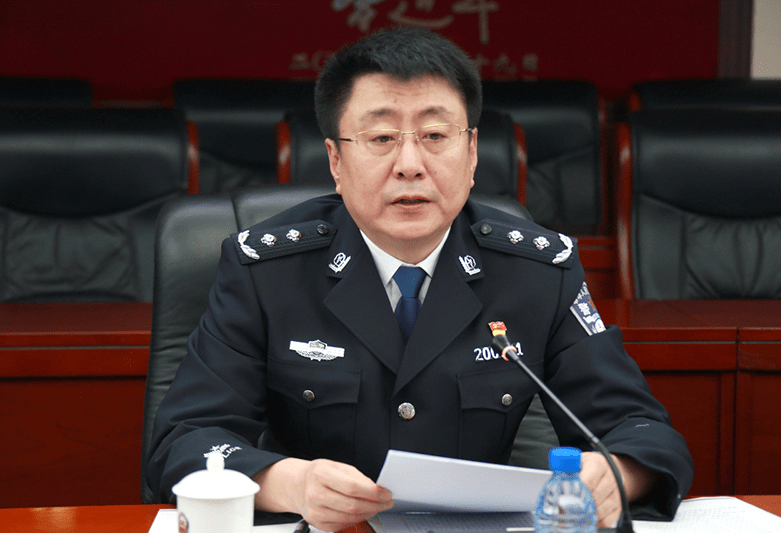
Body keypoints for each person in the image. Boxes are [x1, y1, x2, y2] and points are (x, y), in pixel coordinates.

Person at [146, 26, 693, 531]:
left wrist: (619, 473)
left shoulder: (537, 272)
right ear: (335, 160)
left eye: (435, 135)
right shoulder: (266, 271)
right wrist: (288, 482)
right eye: (381, 138)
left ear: (471, 152)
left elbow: (641, 431)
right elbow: (185, 439)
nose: (410, 164)